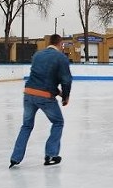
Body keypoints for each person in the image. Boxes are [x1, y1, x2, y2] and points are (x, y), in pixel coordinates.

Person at [9, 34, 72, 168]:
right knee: (58, 122)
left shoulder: (37, 55)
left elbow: (42, 78)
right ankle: (51, 154)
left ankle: (15, 158)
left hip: (29, 93)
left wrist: (59, 93)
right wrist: (65, 96)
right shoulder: (61, 58)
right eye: (62, 45)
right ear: (60, 44)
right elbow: (66, 80)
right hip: (44, 96)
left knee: (26, 126)